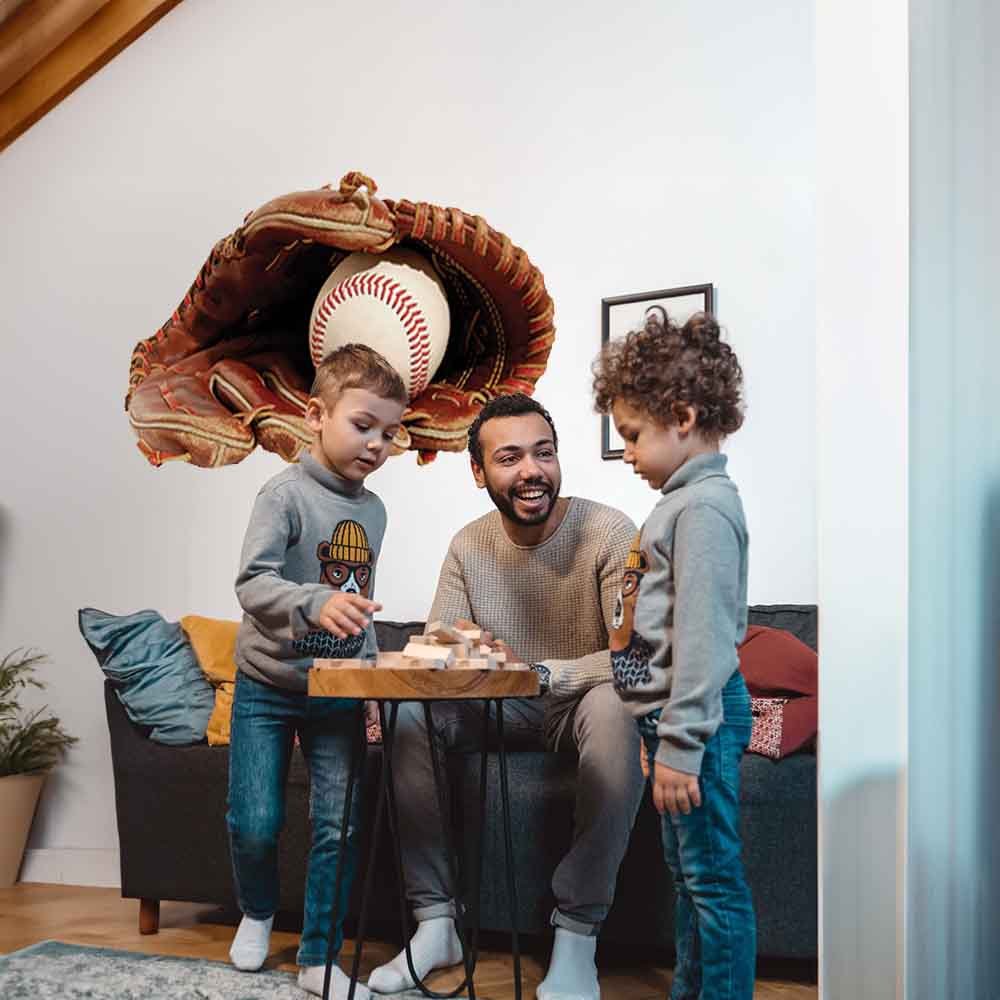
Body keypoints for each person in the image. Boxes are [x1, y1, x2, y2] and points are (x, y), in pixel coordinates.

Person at [367, 393, 645, 1000]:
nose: (530, 471)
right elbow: (438, 650)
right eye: (510, 457)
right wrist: (458, 645)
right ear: (479, 472)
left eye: (543, 453)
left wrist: (543, 674)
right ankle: (436, 923)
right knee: (410, 711)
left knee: (617, 706)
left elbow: (632, 659)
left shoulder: (608, 531)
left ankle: (577, 935)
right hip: (497, 706)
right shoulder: (468, 545)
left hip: (578, 704)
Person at [227, 344, 408, 999]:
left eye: (389, 432)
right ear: (316, 414)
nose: (377, 444)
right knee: (255, 821)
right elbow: (252, 584)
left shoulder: (377, 512)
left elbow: (355, 600)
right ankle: (256, 910)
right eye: (364, 425)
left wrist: (366, 663)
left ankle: (316, 958)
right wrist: (313, 602)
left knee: (341, 825)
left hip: (337, 693)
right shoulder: (283, 496)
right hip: (268, 688)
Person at [592, 309, 756, 1000]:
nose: (626, 452)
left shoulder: (704, 510)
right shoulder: (677, 504)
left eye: (631, 435)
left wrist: (683, 743)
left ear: (682, 416)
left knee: (712, 882)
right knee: (689, 879)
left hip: (700, 721)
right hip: (671, 724)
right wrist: (652, 733)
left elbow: (704, 637)